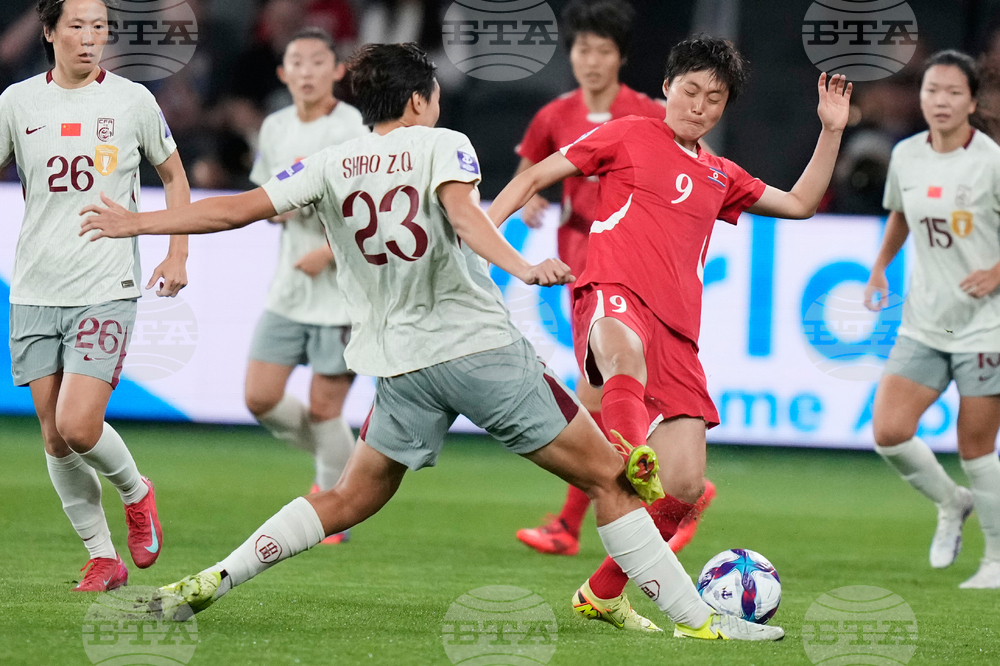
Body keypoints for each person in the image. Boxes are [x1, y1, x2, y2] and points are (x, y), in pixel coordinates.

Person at [80, 43, 784, 642]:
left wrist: (135, 223)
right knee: (614, 478)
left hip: (399, 366)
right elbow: (466, 218)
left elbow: (236, 209)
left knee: (348, 497)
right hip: (478, 351)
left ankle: (217, 575)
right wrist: (520, 263)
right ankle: (698, 621)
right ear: (418, 102)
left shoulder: (332, 161)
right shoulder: (444, 146)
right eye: (436, 92)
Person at [489, 35, 851, 632]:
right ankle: (630, 452)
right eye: (690, 90)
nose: (699, 105)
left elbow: (801, 203)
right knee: (621, 357)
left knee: (681, 490)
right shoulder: (627, 133)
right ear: (666, 87)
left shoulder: (719, 173)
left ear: (724, 107)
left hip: (679, 333)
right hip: (612, 292)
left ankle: (602, 594)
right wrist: (487, 241)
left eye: (714, 97)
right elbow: (535, 177)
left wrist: (831, 130)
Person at [512, 0, 716, 577]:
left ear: (622, 58)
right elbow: (531, 171)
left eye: (603, 50)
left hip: (625, 269)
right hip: (577, 263)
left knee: (597, 393)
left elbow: (694, 174)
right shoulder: (555, 113)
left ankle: (575, 522)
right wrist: (530, 201)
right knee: (602, 394)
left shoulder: (648, 114)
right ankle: (675, 487)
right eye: (582, 49)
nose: (591, 60)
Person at [0, 0, 190, 591]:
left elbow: (176, 177)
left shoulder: (132, 100)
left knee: (79, 425)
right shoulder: (16, 102)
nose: (90, 38)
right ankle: (103, 558)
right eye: (77, 26)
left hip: (106, 286)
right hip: (35, 287)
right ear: (50, 31)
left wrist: (177, 251)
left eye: (100, 27)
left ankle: (137, 493)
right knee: (54, 436)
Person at [864, 50, 1000, 589]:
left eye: (952, 93)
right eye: (931, 91)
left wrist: (995, 273)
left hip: (985, 325)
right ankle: (952, 502)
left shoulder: (990, 160)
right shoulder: (906, 156)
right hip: (926, 321)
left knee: (976, 449)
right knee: (890, 432)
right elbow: (900, 213)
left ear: (972, 101)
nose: (940, 101)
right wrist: (879, 267)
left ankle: (995, 563)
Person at [245, 27, 369, 545]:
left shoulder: (356, 126)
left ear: (337, 70)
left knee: (324, 408)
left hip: (342, 290)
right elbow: (264, 194)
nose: (307, 71)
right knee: (260, 398)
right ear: (283, 73)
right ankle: (343, 459)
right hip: (289, 289)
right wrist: (281, 212)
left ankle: (330, 505)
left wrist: (328, 249)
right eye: (296, 62)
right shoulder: (274, 126)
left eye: (318, 61)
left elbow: (368, 203)